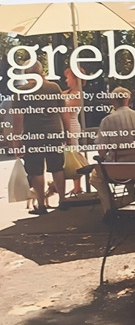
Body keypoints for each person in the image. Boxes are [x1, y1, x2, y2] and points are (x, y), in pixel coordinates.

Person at [10, 60, 68, 215]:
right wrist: (67, 133)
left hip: (32, 135)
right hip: (54, 132)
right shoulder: (54, 87)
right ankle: (63, 200)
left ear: (25, 74)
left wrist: (16, 141)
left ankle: (41, 205)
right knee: (57, 167)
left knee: (36, 171)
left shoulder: (20, 92)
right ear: (41, 71)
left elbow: (18, 119)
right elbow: (64, 112)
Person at [90, 87, 135, 213]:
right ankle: (130, 201)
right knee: (131, 177)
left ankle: (109, 208)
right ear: (128, 99)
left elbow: (102, 151)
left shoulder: (108, 120)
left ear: (113, 101)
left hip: (118, 169)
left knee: (95, 178)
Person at [62, 66, 86, 196]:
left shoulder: (78, 94)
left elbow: (70, 109)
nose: (66, 80)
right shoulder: (67, 92)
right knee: (67, 155)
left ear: (75, 79)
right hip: (64, 126)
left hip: (72, 125)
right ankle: (75, 185)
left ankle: (77, 186)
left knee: (73, 154)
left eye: (68, 78)